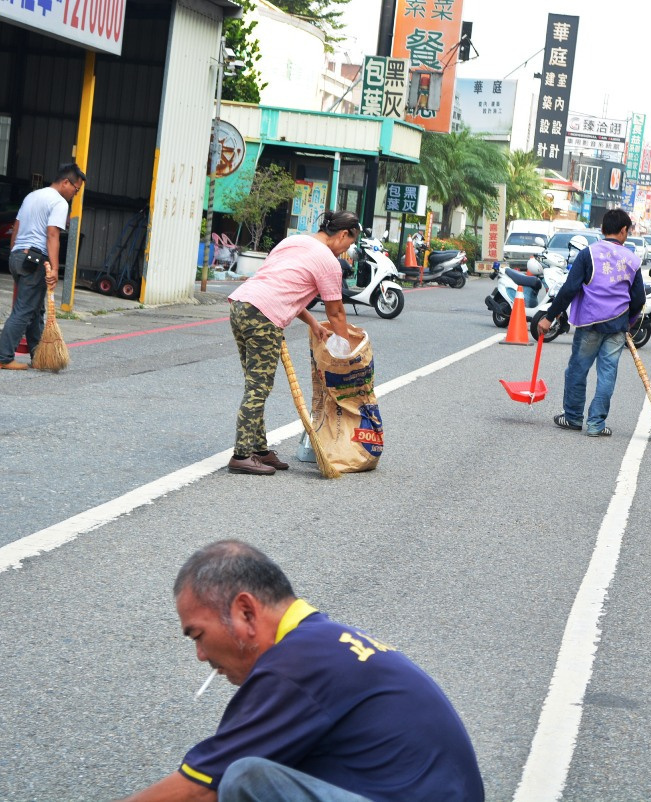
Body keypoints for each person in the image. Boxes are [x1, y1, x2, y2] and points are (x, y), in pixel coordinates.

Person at [120, 540, 485, 802]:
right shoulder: (320, 642)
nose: (200, 655)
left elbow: (197, 790)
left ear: (245, 612)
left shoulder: (294, 665)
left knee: (246, 779)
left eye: (198, 635)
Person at [225, 211, 357, 476]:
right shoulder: (328, 261)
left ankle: (259, 450)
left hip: (242, 305)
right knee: (258, 387)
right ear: (343, 234)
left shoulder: (293, 242)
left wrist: (313, 324)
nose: (347, 250)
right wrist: (346, 352)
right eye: (350, 244)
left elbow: (284, 288)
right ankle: (241, 455)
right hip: (263, 315)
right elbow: (337, 312)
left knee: (255, 384)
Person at [538, 208, 646, 438]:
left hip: (589, 323)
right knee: (607, 374)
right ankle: (597, 424)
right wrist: (630, 321)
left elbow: (569, 289)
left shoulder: (588, 254)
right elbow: (639, 299)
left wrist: (549, 317)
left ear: (603, 229)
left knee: (578, 369)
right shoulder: (632, 260)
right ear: (624, 230)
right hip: (617, 327)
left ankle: (574, 417)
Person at [0, 163, 86, 370]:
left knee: (35, 309)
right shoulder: (59, 203)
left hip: (18, 256)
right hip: (35, 260)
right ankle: (2, 357)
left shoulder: (32, 196)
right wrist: (54, 268)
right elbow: (52, 234)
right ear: (66, 182)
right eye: (76, 190)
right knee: (25, 310)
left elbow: (16, 228)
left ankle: (38, 356)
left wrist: (14, 254)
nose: (75, 194)